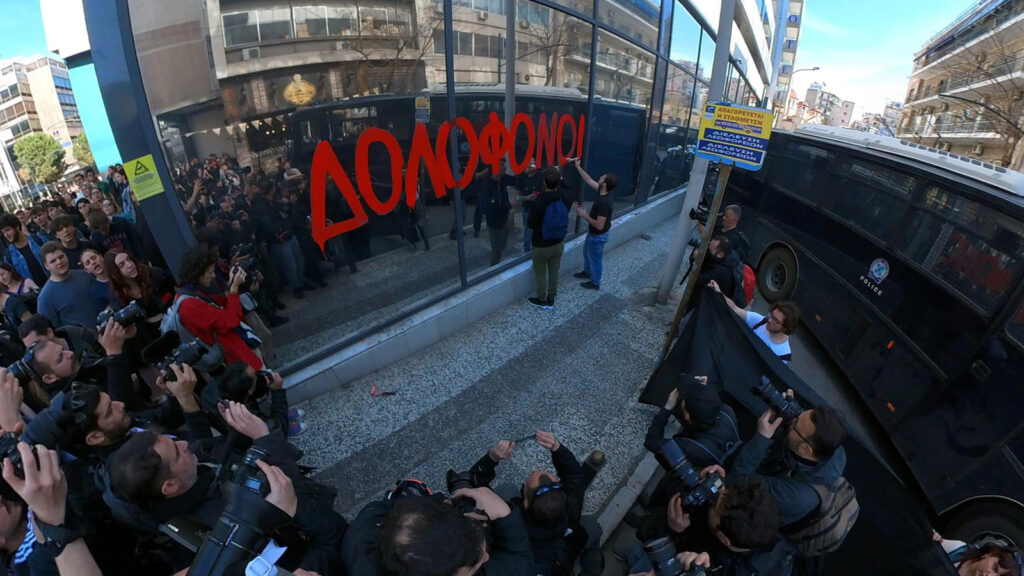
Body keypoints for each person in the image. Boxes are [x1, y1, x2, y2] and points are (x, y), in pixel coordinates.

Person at [106, 401, 347, 575]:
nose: (184, 444)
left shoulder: (193, 478)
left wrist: (234, 428)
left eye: (174, 441)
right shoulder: (217, 530)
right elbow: (319, 525)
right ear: (170, 486)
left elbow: (225, 451)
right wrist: (265, 438)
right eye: (177, 452)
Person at [466, 431, 603, 576]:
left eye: (529, 478)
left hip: (532, 559)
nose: (535, 470)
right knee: (591, 526)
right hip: (563, 553)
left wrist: (492, 458)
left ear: (525, 503)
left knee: (507, 489)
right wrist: (557, 448)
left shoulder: (510, 525)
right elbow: (574, 476)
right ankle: (594, 570)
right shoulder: (570, 509)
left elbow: (471, 486)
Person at [345, 486, 533, 576]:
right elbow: (520, 564)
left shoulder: (364, 531)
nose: (486, 558)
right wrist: (506, 517)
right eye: (475, 566)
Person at [731, 396, 848, 529]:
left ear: (804, 449)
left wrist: (762, 439)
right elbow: (801, 432)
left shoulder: (795, 496)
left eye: (794, 424)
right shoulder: (830, 447)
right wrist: (790, 409)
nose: (791, 420)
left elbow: (736, 482)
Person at [636, 476, 793, 576]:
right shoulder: (761, 528)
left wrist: (675, 530)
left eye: (714, 504)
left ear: (724, 539)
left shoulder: (723, 569)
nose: (714, 495)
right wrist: (714, 479)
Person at [174, 247, 264, 371]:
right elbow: (230, 321)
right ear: (198, 273)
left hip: (234, 354)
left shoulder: (191, 294)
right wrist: (233, 289)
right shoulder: (190, 305)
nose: (214, 276)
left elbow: (220, 303)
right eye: (210, 272)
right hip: (235, 359)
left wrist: (233, 285)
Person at [645, 375, 741, 472]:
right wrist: (703, 392)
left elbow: (651, 442)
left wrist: (667, 408)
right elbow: (709, 407)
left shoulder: (690, 448)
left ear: (687, 416)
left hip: (699, 465)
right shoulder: (727, 412)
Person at [710, 281, 800, 363]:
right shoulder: (761, 321)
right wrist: (718, 292)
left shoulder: (783, 354)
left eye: (776, 321)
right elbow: (735, 308)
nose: (769, 320)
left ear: (785, 328)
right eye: (771, 316)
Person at [218, 360, 306, 437]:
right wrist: (278, 391)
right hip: (259, 436)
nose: (259, 375)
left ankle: (282, 417)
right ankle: (283, 422)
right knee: (277, 428)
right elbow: (268, 431)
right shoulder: (246, 415)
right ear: (249, 390)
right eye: (255, 376)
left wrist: (266, 382)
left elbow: (252, 391)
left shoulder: (232, 390)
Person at [527, 166, 573, 310]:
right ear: (559, 181)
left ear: (544, 182)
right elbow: (568, 188)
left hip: (541, 244)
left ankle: (542, 300)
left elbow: (530, 224)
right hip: (558, 242)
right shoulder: (565, 197)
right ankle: (551, 298)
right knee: (554, 272)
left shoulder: (540, 201)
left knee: (540, 273)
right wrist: (560, 177)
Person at [105, 250, 174, 342]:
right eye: (122, 265)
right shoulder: (117, 297)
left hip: (174, 320)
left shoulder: (153, 274)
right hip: (150, 336)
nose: (129, 265)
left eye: (128, 259)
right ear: (114, 274)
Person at [570, 159, 616, 291]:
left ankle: (595, 283)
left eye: (602, 178)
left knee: (595, 259)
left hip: (598, 236)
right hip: (593, 235)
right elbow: (589, 180)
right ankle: (587, 272)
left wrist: (583, 215)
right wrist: (578, 167)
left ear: (605, 184)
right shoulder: (603, 191)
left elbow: (600, 226)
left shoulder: (604, 203)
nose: (599, 178)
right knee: (587, 254)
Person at [36, 242, 102, 330]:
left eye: (61, 257)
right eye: (53, 261)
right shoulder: (45, 298)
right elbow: (52, 332)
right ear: (46, 266)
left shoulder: (85, 275)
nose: (59, 262)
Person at [476, 161, 515, 266]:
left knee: (502, 245)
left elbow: (516, 180)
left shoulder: (502, 179)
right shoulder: (488, 185)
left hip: (503, 220)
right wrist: (509, 205)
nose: (505, 167)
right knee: (496, 250)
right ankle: (494, 269)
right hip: (495, 223)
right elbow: (491, 207)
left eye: (504, 164)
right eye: (502, 165)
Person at [690, 236, 742, 312]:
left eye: (709, 249)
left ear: (720, 254)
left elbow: (698, 279)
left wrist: (696, 260)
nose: (707, 251)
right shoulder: (729, 258)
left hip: (715, 308)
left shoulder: (721, 271)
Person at [935, 532, 1022, 576]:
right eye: (994, 567)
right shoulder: (957, 550)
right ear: (989, 554)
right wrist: (934, 538)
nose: (989, 575)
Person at [0, 213, 48, 288]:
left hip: (53, 284)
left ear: (17, 227)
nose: (6, 234)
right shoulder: (9, 256)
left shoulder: (38, 239)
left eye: (7, 230)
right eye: (3, 232)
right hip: (33, 293)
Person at [0, 262, 40, 327]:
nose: (2, 278)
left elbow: (41, 297)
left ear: (10, 272)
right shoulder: (5, 296)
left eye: (3, 274)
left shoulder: (27, 282)